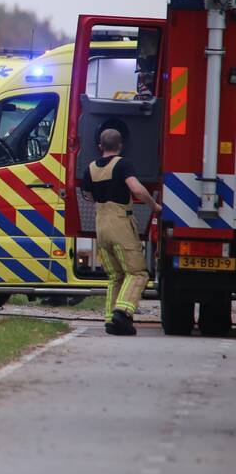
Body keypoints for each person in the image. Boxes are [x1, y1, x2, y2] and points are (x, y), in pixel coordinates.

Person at [81, 128, 161, 336]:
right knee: (137, 273)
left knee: (116, 275)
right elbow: (136, 189)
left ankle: (111, 320)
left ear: (100, 146)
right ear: (121, 146)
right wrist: (154, 206)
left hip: (101, 226)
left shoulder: (90, 168)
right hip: (120, 225)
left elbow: (86, 194)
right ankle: (123, 312)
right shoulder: (123, 164)